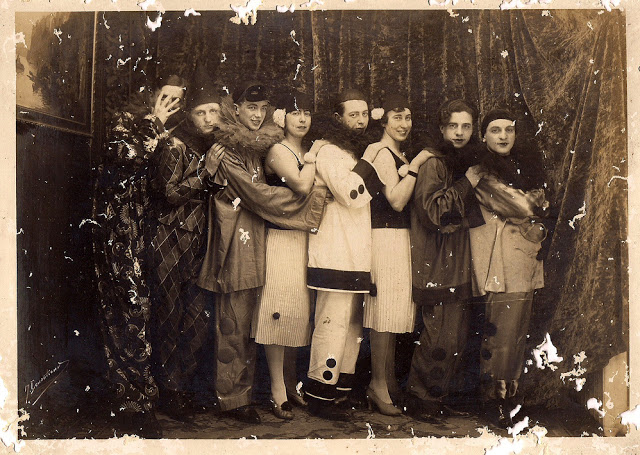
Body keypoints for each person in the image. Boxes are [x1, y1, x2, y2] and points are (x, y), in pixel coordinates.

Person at [196, 82, 329, 424]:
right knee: (233, 320)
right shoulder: (227, 150)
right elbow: (257, 195)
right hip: (233, 242)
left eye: (262, 108)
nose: (257, 115)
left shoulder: (255, 147)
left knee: (256, 320)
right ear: (235, 109)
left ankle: (248, 394)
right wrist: (313, 198)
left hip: (255, 239)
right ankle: (232, 400)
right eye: (250, 107)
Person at [92, 73, 187, 438]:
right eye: (166, 97)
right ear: (151, 95)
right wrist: (155, 123)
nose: (170, 105)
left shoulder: (170, 133)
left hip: (145, 234)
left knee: (144, 312)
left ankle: (141, 400)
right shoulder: (126, 123)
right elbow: (124, 156)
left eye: (177, 100)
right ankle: (133, 405)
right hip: (118, 233)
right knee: (129, 310)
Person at [303, 88, 385, 421]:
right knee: (332, 323)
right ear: (338, 118)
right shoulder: (327, 151)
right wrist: (370, 159)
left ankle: (339, 392)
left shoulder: (351, 152)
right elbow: (351, 194)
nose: (360, 121)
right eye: (353, 115)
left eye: (364, 114)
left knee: (352, 327)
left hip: (357, 251)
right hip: (335, 249)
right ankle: (319, 394)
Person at [149, 67, 226, 421]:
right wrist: (205, 173)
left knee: (197, 321)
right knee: (169, 316)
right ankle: (170, 393)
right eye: (200, 112)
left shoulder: (219, 147)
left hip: (201, 243)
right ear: (189, 115)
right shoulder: (175, 145)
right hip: (170, 238)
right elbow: (168, 194)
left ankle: (184, 387)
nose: (209, 119)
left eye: (214, 111)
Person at [405, 99, 486, 423]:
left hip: (456, 259)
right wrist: (467, 182)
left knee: (454, 334)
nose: (460, 132)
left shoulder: (461, 161)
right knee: (439, 334)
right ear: (442, 129)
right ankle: (421, 399)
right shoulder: (434, 164)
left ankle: (436, 396)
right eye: (453, 126)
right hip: (436, 260)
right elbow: (434, 212)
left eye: (466, 126)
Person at [469, 109, 548, 428]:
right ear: (483, 136)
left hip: (524, 259)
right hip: (500, 262)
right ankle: (494, 400)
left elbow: (541, 202)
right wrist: (533, 204)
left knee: (515, 335)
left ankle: (508, 399)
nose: (503, 136)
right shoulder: (479, 171)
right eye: (495, 130)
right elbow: (524, 206)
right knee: (501, 335)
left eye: (509, 130)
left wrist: (534, 207)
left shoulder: (522, 166)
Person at [363, 94, 431, 415]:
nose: (404, 124)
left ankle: (388, 382)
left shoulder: (397, 153)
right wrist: (416, 165)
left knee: (392, 314)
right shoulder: (380, 152)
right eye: (397, 118)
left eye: (408, 118)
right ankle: (377, 385)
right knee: (383, 313)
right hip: (385, 239)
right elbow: (396, 201)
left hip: (401, 238)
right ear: (383, 121)